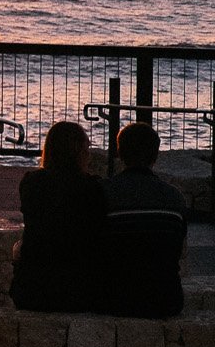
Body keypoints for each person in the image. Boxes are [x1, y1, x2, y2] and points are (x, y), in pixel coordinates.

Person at [10, 121, 107, 313]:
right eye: (86, 148)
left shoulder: (31, 182)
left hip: (31, 291)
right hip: (79, 292)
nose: (89, 154)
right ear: (78, 152)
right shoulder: (93, 188)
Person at [101, 122, 189, 318]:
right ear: (156, 156)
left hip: (113, 300)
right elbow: (180, 252)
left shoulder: (103, 193)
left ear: (119, 153)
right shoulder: (174, 197)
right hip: (166, 300)